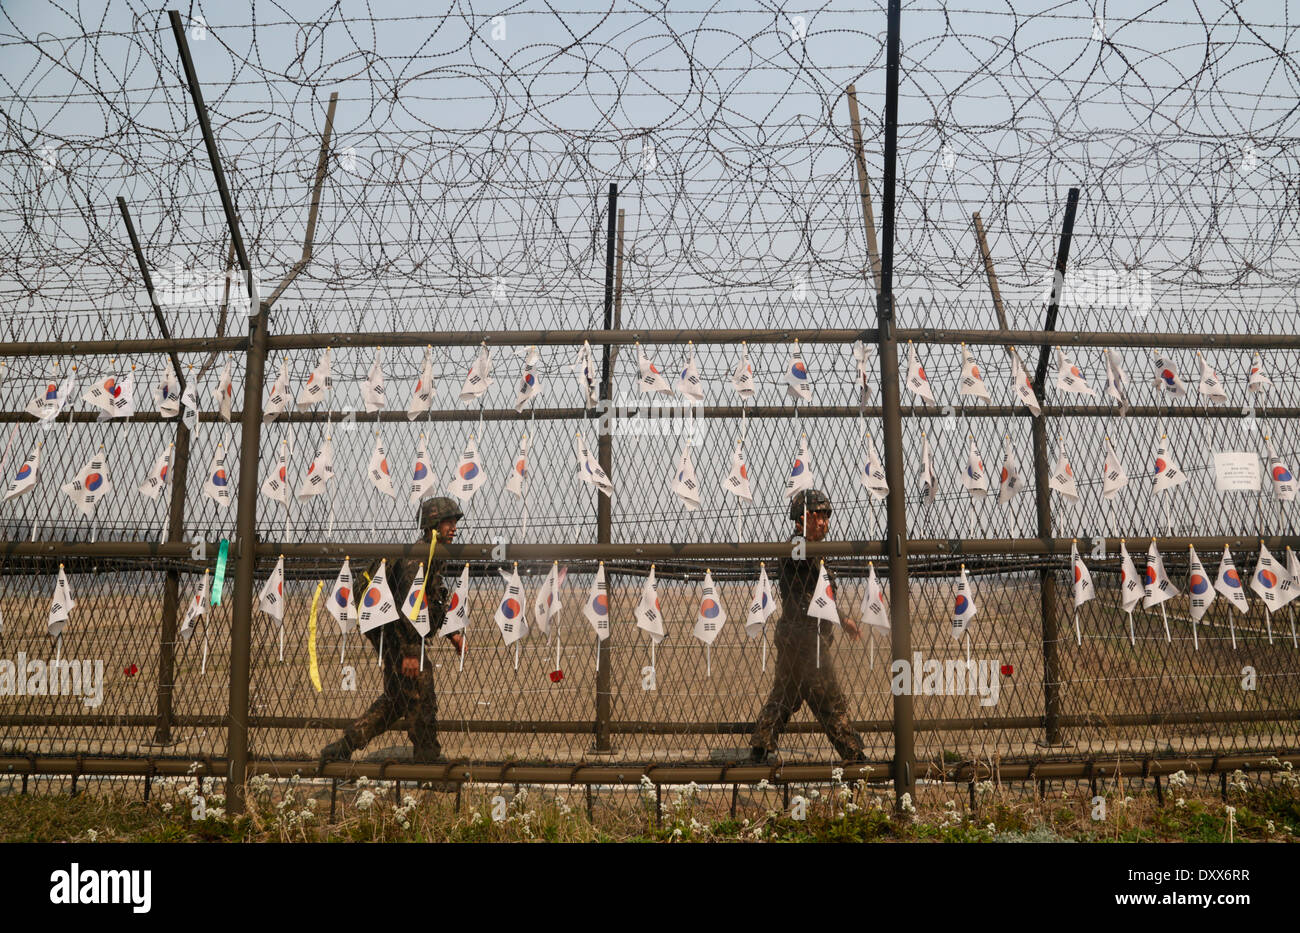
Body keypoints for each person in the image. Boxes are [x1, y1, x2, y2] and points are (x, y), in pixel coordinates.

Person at [319, 496, 466, 767]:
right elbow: (407, 610)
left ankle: (344, 745)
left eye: (455, 522)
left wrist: (451, 633)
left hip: (400, 642)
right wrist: (410, 655)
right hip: (403, 642)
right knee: (422, 699)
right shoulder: (417, 559)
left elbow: (430, 602)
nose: (454, 527)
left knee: (397, 701)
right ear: (433, 524)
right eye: (448, 522)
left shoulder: (430, 555)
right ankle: (428, 762)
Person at [750, 488, 866, 763]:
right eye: (816, 516)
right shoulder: (797, 549)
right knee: (829, 701)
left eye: (826, 516)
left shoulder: (814, 552)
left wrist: (843, 619)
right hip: (806, 640)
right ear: (801, 519)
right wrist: (843, 618)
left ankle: (760, 750)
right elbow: (811, 599)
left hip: (799, 636)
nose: (823, 522)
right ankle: (856, 759)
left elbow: (818, 597)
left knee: (784, 697)